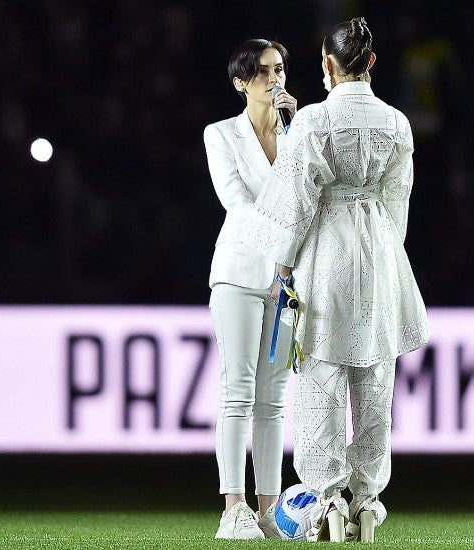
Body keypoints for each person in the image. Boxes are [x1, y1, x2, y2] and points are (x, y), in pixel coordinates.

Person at [242, 17, 430, 542]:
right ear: (370, 63)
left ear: (328, 65)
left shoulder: (314, 122)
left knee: (321, 381)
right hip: (380, 250)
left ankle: (326, 502)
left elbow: (297, 199)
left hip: (327, 249)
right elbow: (399, 204)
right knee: (375, 382)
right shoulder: (397, 123)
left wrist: (282, 264)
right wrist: (383, 249)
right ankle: (368, 500)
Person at [202, 38, 298, 540]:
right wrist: (287, 233)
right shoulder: (220, 134)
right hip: (240, 273)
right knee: (237, 390)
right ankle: (232, 508)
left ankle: (269, 508)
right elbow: (236, 203)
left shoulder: (299, 133)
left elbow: (314, 193)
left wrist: (296, 134)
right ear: (241, 81)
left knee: (274, 398)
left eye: (278, 69)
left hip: (288, 280)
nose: (272, 79)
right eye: (261, 72)